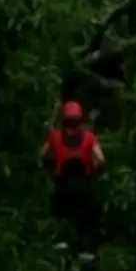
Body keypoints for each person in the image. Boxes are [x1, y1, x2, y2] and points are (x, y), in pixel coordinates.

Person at [41, 100, 104, 261]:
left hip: (63, 186)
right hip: (83, 185)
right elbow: (100, 158)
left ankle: (60, 247)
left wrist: (52, 160)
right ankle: (86, 251)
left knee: (60, 215)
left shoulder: (55, 135)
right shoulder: (89, 137)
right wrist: (94, 169)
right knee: (87, 219)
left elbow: (43, 154)